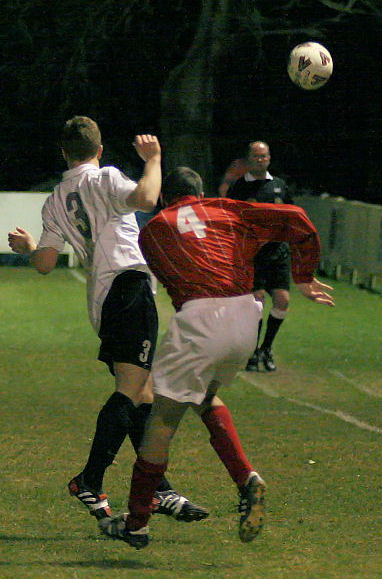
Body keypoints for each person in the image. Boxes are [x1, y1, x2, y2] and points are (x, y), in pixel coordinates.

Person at [99, 165, 334, 550]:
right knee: (205, 395)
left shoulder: (153, 230)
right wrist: (303, 274)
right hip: (246, 316)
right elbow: (297, 218)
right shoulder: (228, 209)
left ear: (164, 198)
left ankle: (137, 523)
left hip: (201, 317)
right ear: (202, 192)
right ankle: (247, 480)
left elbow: (175, 279)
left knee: (161, 419)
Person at [7, 117, 208, 529]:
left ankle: (160, 488)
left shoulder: (55, 200)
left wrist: (29, 247)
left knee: (144, 393)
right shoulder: (105, 178)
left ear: (64, 153)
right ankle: (90, 479)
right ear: (99, 150)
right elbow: (148, 197)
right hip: (130, 285)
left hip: (102, 301)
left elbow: (45, 263)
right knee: (132, 390)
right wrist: (153, 160)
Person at [219, 141, 293, 373]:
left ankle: (266, 348)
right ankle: (252, 350)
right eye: (256, 156)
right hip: (253, 254)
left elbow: (292, 215)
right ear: (249, 159)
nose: (261, 160)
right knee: (257, 302)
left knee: (282, 300)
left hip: (278, 252)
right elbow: (229, 218)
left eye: (264, 156)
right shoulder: (240, 187)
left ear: (269, 158)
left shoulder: (280, 186)